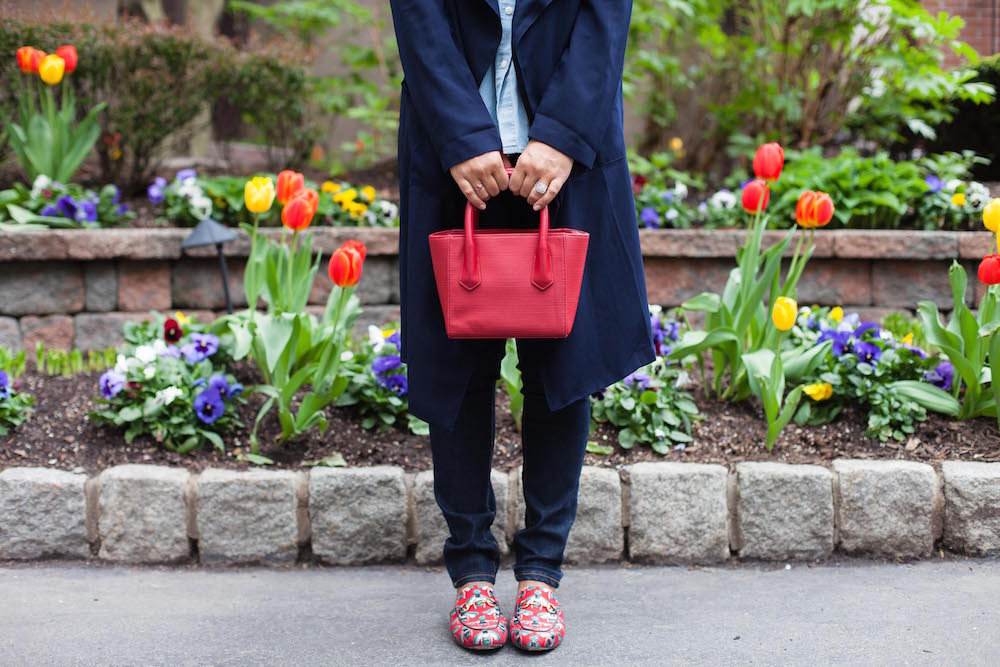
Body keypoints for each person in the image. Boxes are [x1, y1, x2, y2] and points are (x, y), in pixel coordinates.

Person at [388, 0, 656, 653]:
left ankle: (541, 574)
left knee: (561, 364)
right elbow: (420, 19)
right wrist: (461, 137)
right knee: (456, 367)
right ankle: (472, 570)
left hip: (568, 154)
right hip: (456, 158)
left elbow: (602, 19)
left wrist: (561, 133)